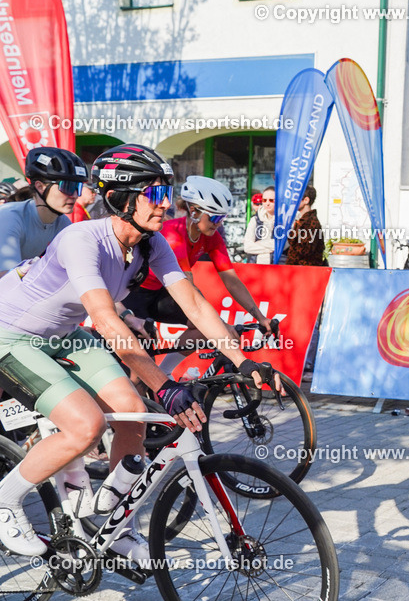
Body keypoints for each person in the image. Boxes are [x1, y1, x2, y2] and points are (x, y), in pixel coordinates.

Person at [0, 144, 277, 562]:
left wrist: (244, 361)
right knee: (86, 426)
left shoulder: (152, 244)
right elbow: (106, 321)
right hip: (12, 334)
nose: (166, 206)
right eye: (156, 195)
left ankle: (114, 523)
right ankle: (6, 501)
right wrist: (164, 385)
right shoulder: (81, 239)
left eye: (167, 195)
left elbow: (196, 305)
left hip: (64, 333)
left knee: (132, 414)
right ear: (121, 198)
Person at [122, 175, 274, 377]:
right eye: (214, 218)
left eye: (222, 218)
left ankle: (165, 373)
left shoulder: (212, 237)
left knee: (202, 328)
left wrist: (260, 317)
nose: (218, 224)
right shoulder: (172, 234)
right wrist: (220, 326)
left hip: (161, 293)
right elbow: (189, 289)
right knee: (140, 373)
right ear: (194, 211)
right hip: (135, 293)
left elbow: (232, 281)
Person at [0, 147, 87, 277]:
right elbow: (6, 278)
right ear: (40, 187)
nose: (75, 195)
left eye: (78, 187)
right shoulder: (8, 216)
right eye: (67, 186)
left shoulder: (63, 223)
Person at [284, 185, 326, 266]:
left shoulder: (311, 222)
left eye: (296, 199)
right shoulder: (302, 220)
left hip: (304, 270)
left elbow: (305, 250)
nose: (293, 202)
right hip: (298, 270)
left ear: (306, 200)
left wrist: (290, 234)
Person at [243, 186, 275, 264]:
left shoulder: (285, 221)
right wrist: (270, 247)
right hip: (256, 266)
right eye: (264, 200)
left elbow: (283, 245)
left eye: (271, 200)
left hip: (278, 267)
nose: (267, 203)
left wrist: (259, 244)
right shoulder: (255, 220)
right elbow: (247, 247)